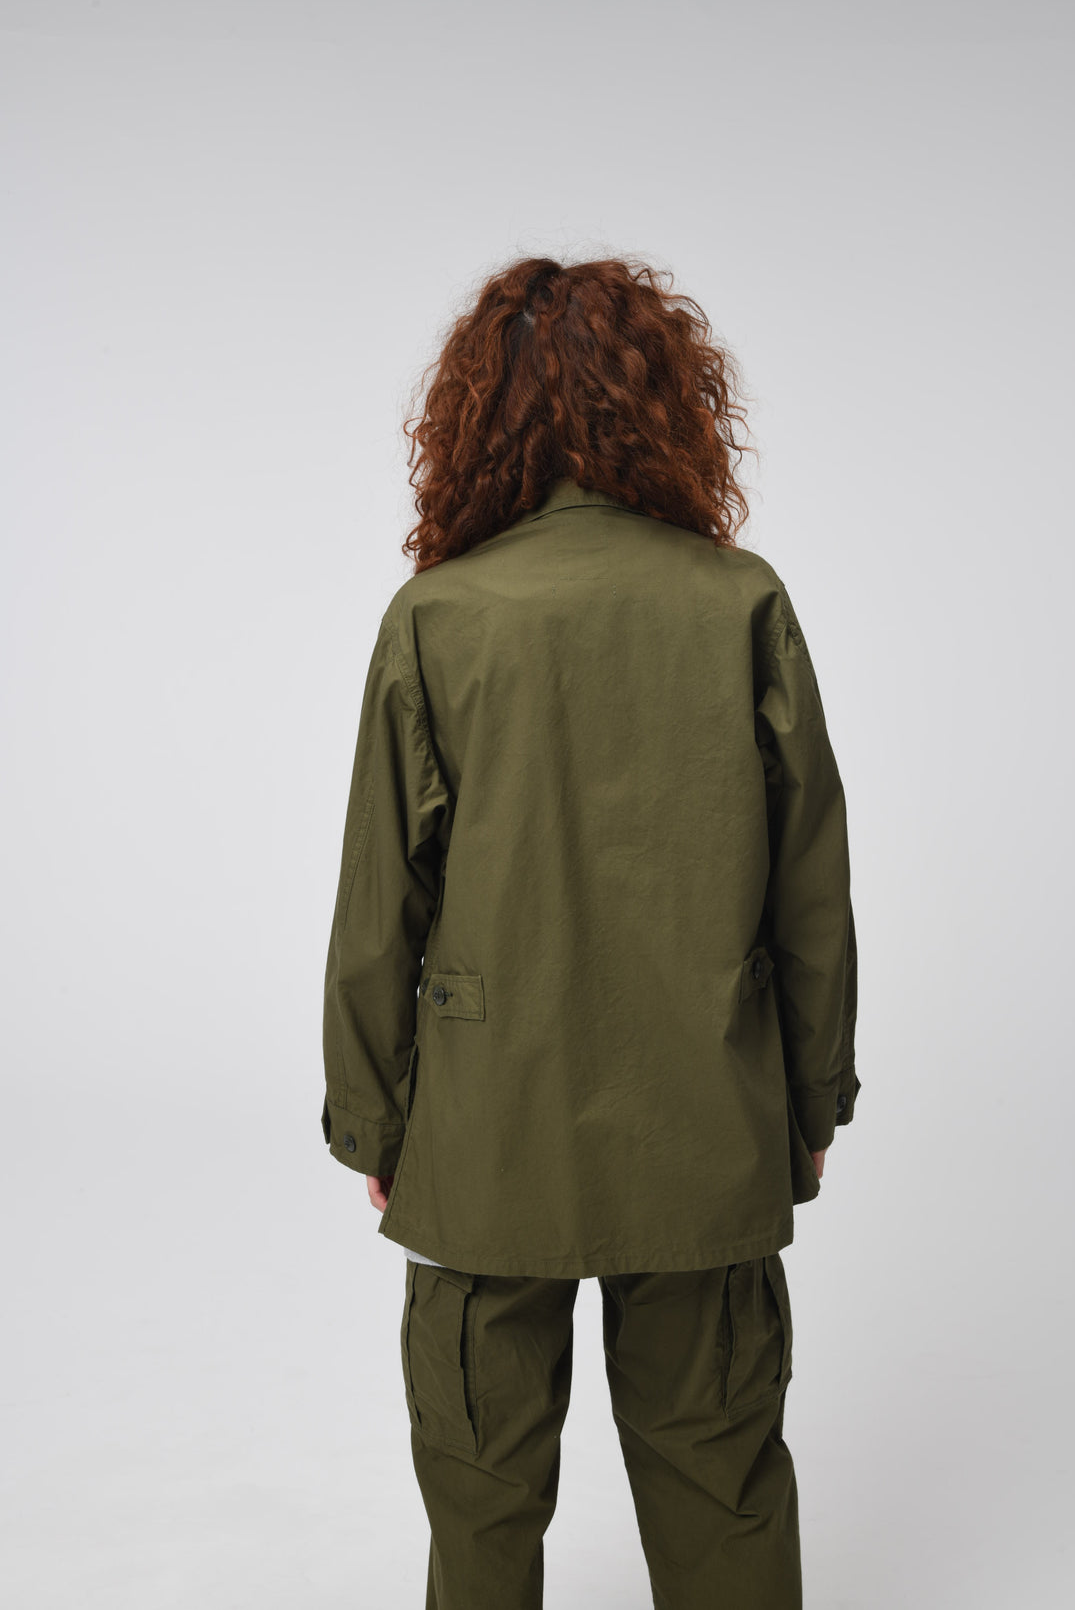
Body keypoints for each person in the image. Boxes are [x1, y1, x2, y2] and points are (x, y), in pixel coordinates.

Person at [320, 254, 860, 1609]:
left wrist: (375, 1124)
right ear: (667, 406)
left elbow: (380, 903)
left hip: (487, 1133)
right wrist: (809, 1102)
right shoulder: (738, 601)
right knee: (722, 1485)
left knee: (481, 1500)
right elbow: (812, 887)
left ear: (475, 417)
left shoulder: (439, 618)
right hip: (707, 1123)